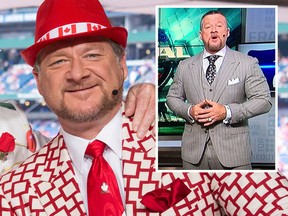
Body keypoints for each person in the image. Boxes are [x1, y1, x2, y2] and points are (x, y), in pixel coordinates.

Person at [1, 2, 288, 215]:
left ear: (122, 65)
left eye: (92, 54)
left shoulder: (194, 142)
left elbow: (270, 202)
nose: (78, 73)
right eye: (58, 61)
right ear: (38, 81)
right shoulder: (13, 192)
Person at [166, 10, 272, 170]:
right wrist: (190, 111)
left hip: (234, 155)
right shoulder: (185, 66)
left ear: (227, 32)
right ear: (201, 34)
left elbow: (264, 100)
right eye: (208, 27)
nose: (214, 30)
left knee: (238, 196)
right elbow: (172, 98)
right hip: (193, 156)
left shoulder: (247, 63)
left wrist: (227, 112)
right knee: (194, 196)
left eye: (219, 26)